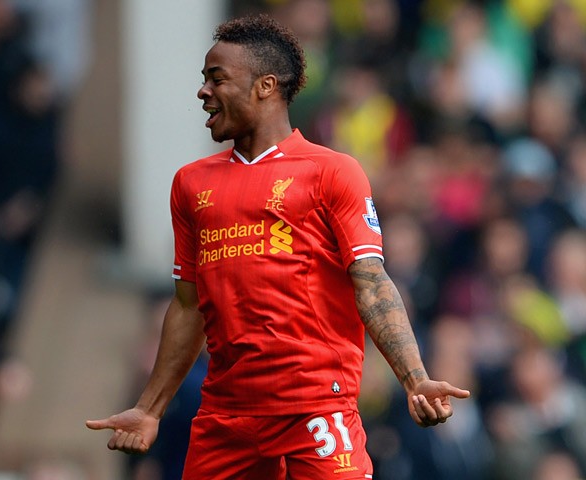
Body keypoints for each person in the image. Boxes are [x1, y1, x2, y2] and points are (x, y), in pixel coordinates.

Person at [86, 14, 470, 479]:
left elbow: (371, 282)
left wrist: (414, 379)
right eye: (204, 79)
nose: (203, 91)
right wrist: (150, 409)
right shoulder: (190, 184)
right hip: (226, 418)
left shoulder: (332, 172)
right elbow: (188, 306)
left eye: (217, 78)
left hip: (315, 407)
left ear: (265, 86)